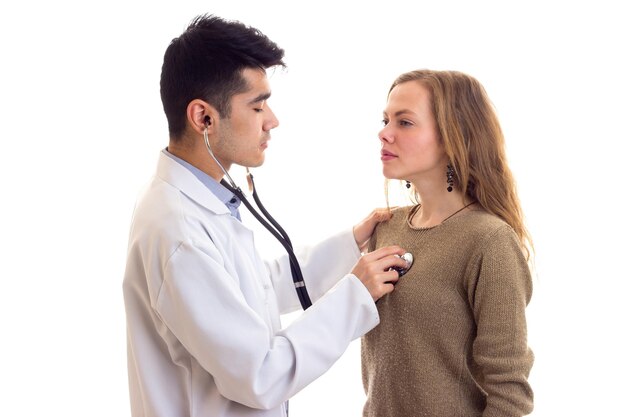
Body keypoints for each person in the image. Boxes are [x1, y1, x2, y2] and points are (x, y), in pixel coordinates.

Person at [122, 14, 408, 417]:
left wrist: (350, 246)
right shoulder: (177, 231)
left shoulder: (197, 201)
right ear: (203, 118)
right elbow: (261, 375)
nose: (272, 120)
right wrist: (354, 295)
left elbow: (253, 289)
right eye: (258, 105)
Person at [361, 69, 534, 417]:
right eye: (385, 120)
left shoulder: (489, 241)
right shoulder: (385, 227)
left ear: (453, 136)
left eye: (404, 122)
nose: (384, 133)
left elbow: (510, 395)